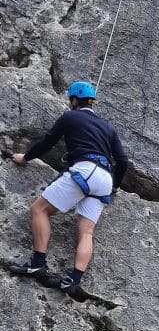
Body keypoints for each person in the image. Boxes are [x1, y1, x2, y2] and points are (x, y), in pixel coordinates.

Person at [10, 81, 129, 298]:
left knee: (39, 210)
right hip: (105, 178)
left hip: (85, 169)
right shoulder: (109, 127)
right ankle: (73, 280)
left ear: (74, 100)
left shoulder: (70, 117)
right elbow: (122, 160)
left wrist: (25, 157)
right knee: (86, 231)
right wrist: (115, 185)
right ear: (92, 102)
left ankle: (38, 263)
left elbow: (49, 141)